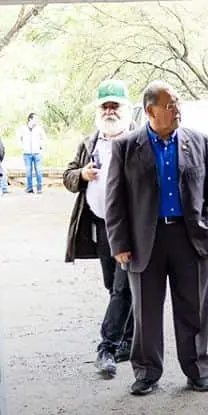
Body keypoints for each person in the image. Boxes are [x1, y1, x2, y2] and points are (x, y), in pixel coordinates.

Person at [104, 81, 208, 396]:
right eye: (170, 105)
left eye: (177, 103)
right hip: (146, 240)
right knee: (146, 310)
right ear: (150, 110)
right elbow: (114, 201)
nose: (177, 109)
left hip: (190, 237)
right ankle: (146, 372)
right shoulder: (126, 147)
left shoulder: (198, 142)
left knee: (194, 308)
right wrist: (119, 244)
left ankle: (197, 369)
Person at [63, 80, 137, 378]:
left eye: (115, 105)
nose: (109, 111)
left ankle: (106, 346)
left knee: (122, 287)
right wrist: (82, 174)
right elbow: (68, 176)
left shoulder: (137, 141)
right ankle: (128, 341)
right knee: (114, 287)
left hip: (130, 228)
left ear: (126, 109)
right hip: (101, 225)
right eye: (104, 106)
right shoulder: (89, 143)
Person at [17, 112, 47, 194]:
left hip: (37, 153)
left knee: (39, 170)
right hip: (27, 153)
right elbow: (18, 138)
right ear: (30, 119)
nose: (37, 120)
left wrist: (41, 146)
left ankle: (39, 188)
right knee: (28, 171)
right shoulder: (23, 129)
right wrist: (22, 147)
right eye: (35, 118)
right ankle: (29, 188)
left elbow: (44, 138)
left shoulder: (39, 129)